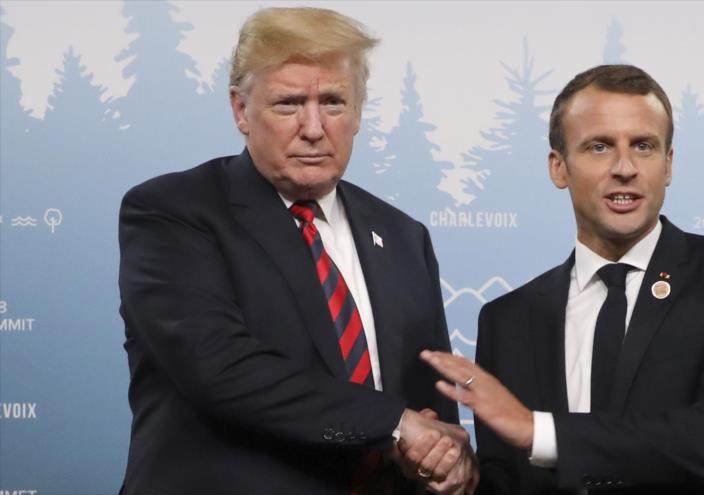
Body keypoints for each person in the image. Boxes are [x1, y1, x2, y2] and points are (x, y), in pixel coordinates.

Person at [118, 7, 475, 495]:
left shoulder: (404, 236)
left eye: (333, 102)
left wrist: (445, 460)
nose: (313, 128)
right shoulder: (173, 213)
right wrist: (395, 423)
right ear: (241, 110)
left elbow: (430, 415)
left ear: (357, 113)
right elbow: (220, 368)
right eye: (288, 104)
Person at [422, 64, 704, 494]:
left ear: (668, 165)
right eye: (599, 147)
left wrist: (537, 431)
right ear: (559, 168)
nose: (625, 167)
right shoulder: (508, 320)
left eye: (644, 146)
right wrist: (454, 476)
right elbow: (508, 481)